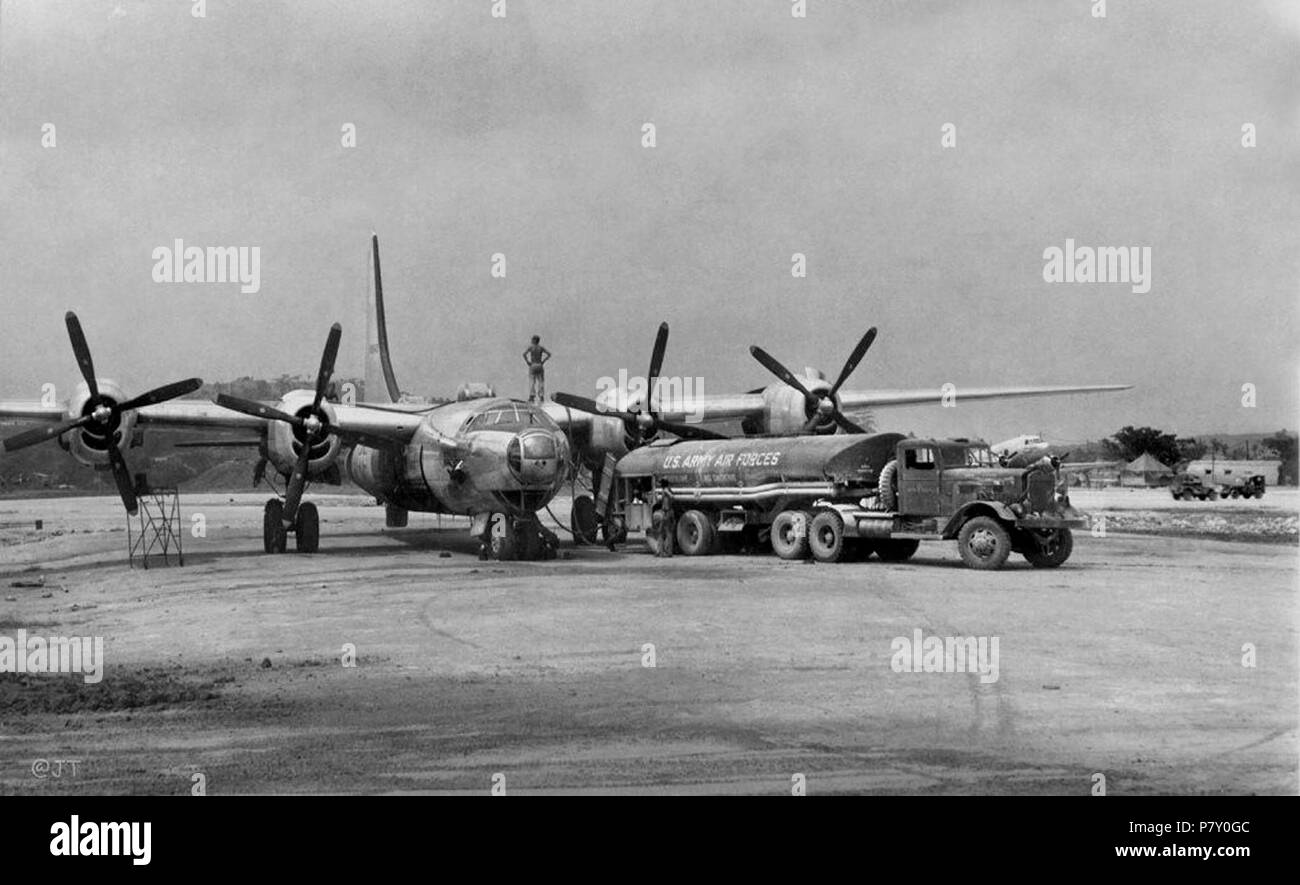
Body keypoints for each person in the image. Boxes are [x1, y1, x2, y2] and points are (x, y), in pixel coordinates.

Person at [522, 335, 551, 403]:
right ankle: (541, 396)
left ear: (534, 340)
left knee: (532, 381)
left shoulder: (531, 348)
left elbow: (524, 354)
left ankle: (532, 395)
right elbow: (549, 354)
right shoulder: (540, 348)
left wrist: (527, 362)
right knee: (541, 381)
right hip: (539, 364)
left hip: (533, 364)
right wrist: (543, 361)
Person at [654, 480, 675, 558]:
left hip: (666, 513)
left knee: (661, 532)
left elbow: (670, 498)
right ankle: (668, 552)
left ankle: (661, 552)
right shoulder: (669, 490)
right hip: (669, 513)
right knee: (668, 533)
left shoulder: (665, 490)